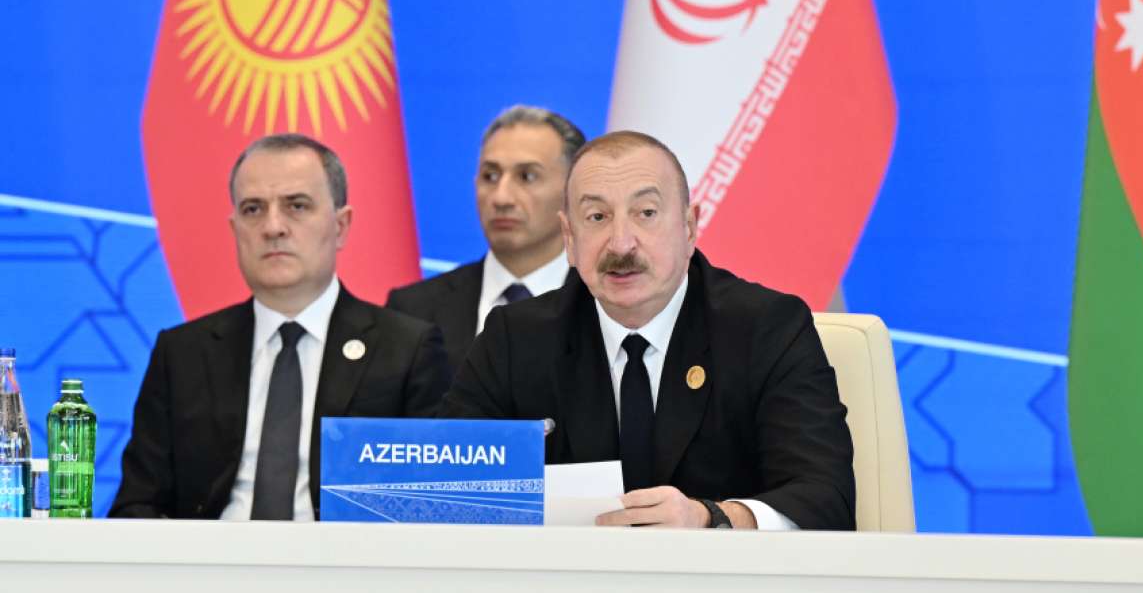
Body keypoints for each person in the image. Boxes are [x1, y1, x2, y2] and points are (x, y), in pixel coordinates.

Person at [440, 130, 855, 530]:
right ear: (569, 238)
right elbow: (446, 486)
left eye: (646, 214)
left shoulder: (766, 328)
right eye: (597, 217)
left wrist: (713, 518)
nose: (621, 244)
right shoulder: (515, 339)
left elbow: (824, 495)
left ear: (689, 228)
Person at [110, 134, 450, 520]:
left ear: (341, 226)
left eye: (297, 206)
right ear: (235, 228)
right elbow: (136, 504)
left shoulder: (406, 350)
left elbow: (431, 506)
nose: (273, 227)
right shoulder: (183, 354)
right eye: (253, 209)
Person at [386, 106, 585, 375]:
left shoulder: (609, 304)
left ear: (574, 190)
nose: (501, 198)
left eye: (527, 176)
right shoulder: (412, 311)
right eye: (490, 176)